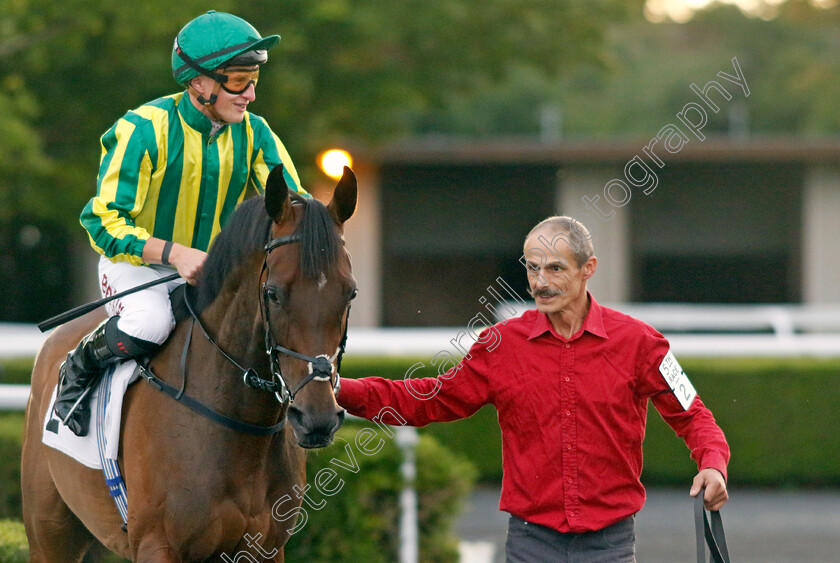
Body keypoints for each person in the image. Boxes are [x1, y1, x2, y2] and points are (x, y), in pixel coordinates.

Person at [337, 216, 730, 562]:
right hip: (529, 543)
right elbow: (429, 400)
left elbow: (692, 414)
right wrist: (337, 389)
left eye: (555, 269)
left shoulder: (641, 343)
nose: (540, 282)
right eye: (533, 268)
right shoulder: (498, 345)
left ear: (587, 268)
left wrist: (712, 463)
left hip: (611, 545)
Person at [54, 10, 307, 437]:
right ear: (198, 82)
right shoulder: (141, 130)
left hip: (210, 272)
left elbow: (293, 208)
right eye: (239, 80)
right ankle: (79, 367)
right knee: (149, 324)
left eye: (254, 80)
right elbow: (102, 222)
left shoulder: (256, 134)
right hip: (138, 266)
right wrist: (174, 253)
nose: (250, 95)